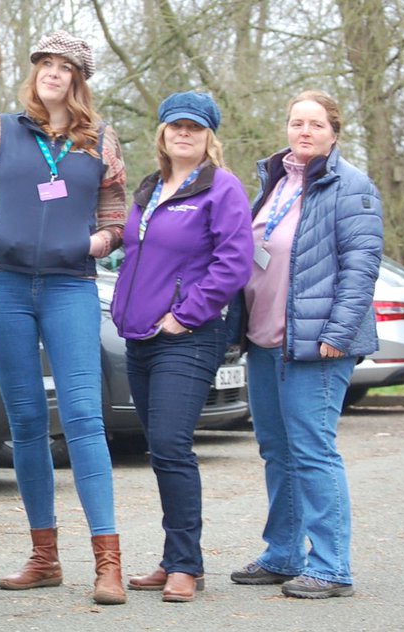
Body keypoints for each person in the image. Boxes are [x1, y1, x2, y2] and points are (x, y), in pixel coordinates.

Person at [0, 30, 129, 605]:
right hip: (8, 288)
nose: (53, 74)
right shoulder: (2, 131)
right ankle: (44, 557)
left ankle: (108, 562)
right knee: (25, 422)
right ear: (35, 72)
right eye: (45, 64)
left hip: (70, 287)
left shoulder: (101, 140)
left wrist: (95, 242)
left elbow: (117, 216)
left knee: (84, 417)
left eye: (64, 67)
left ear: (78, 79)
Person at [226, 90, 383, 599]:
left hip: (317, 345)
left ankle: (332, 566)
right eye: (297, 123)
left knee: (313, 451)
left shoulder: (351, 186)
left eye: (316, 124)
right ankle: (284, 554)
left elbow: (361, 268)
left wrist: (338, 333)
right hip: (265, 340)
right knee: (277, 450)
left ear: (334, 132)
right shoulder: (275, 181)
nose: (305, 132)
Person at [110, 92, 253, 602]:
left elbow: (234, 264)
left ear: (209, 135)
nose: (184, 133)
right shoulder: (150, 188)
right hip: (141, 337)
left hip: (188, 337)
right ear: (163, 133)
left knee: (172, 446)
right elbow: (135, 254)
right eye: (176, 126)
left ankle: (186, 565)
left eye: (194, 127)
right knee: (161, 451)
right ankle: (173, 557)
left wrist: (184, 315)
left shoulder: (222, 188)